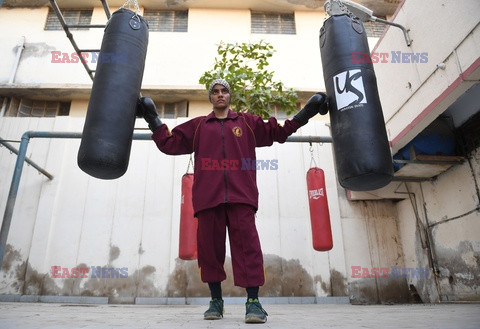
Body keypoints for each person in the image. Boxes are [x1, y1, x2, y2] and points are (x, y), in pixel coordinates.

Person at [137, 79, 328, 323]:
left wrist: (308, 111)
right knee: (210, 253)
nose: (219, 95)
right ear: (210, 98)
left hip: (242, 198)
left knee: (248, 250)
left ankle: (253, 302)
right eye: (215, 92)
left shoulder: (248, 123)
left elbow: (280, 132)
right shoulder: (198, 126)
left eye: (223, 91)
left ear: (230, 96)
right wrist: (152, 118)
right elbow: (169, 144)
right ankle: (215, 301)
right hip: (208, 200)